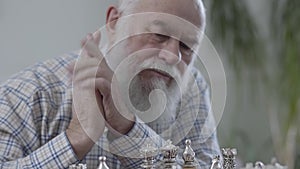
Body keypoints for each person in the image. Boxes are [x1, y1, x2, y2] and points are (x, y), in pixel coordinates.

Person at [0, 0, 221, 168]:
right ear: (114, 22)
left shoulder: (192, 89)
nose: (174, 56)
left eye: (187, 46)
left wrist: (128, 127)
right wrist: (75, 139)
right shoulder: (30, 94)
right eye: (159, 35)